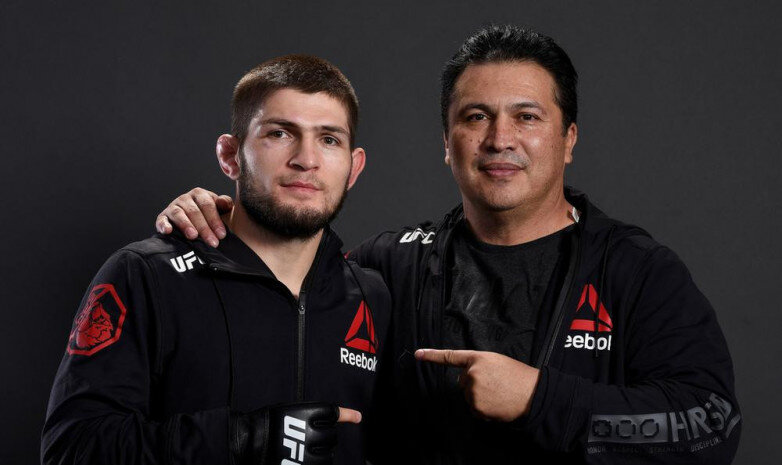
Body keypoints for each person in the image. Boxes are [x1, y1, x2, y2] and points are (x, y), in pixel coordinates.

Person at [155, 26, 741, 463]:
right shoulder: (390, 264)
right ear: (447, 141)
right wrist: (226, 218)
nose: (500, 139)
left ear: (568, 139)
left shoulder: (636, 271)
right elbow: (289, 283)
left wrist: (540, 399)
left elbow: (713, 424)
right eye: (476, 117)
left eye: (527, 117)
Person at [42, 55, 391, 465]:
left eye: (329, 139)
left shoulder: (371, 295)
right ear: (230, 156)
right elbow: (71, 448)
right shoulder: (146, 275)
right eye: (280, 133)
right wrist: (244, 439)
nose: (306, 159)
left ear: (353, 168)